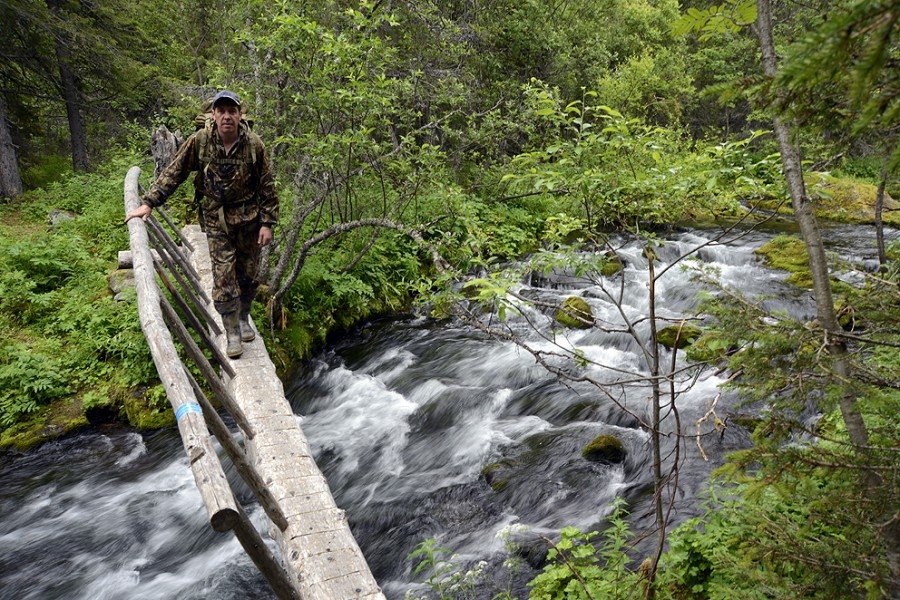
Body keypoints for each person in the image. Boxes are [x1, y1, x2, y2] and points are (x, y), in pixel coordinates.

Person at [126, 90, 278, 359]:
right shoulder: (201, 142)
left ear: (240, 115)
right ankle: (231, 331)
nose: (227, 116)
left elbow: (267, 186)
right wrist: (149, 202)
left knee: (249, 274)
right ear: (214, 114)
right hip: (216, 218)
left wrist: (268, 223)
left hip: (249, 220)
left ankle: (244, 317)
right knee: (223, 275)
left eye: (232, 111)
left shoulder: (254, 145)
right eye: (222, 111)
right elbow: (175, 171)